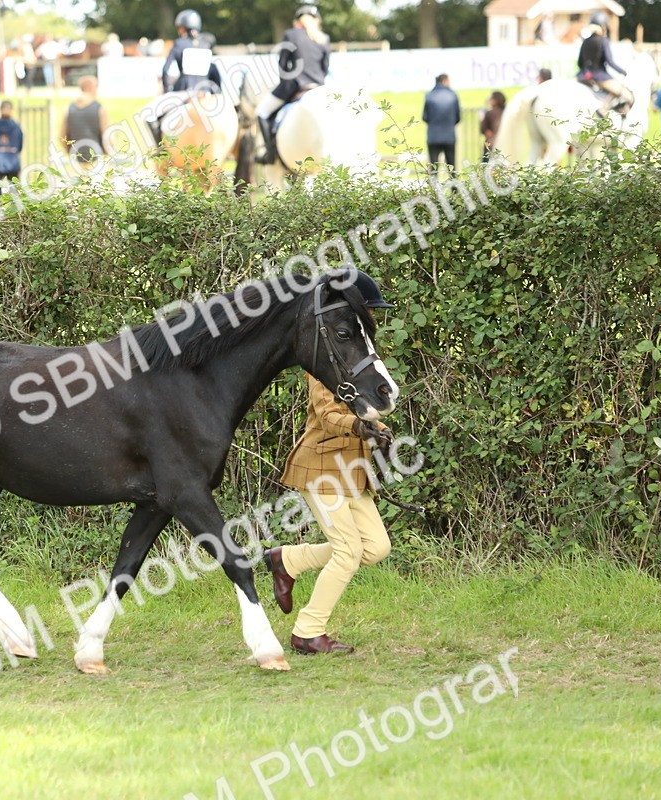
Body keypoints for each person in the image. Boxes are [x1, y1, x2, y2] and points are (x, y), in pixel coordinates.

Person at [262, 271, 397, 656]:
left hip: (352, 470)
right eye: (367, 311)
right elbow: (326, 414)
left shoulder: (358, 355)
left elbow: (362, 409)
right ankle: (308, 630)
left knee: (376, 548)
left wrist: (378, 427)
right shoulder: (325, 359)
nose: (370, 318)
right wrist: (361, 425)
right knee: (348, 552)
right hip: (321, 467)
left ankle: (288, 559)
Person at [255, 4, 331, 165]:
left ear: (298, 21)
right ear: (317, 21)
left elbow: (283, 65)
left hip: (295, 86)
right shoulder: (324, 38)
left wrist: (286, 84)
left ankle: (269, 153)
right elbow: (325, 68)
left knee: (262, 111)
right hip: (318, 88)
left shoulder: (290, 35)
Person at [146, 9, 221, 145]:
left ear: (183, 28)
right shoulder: (206, 44)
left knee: (150, 114)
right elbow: (215, 71)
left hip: (184, 92)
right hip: (205, 93)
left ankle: (159, 149)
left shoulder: (180, 43)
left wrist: (167, 89)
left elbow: (165, 69)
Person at [576, 12, 630, 112]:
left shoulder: (585, 41)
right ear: (604, 26)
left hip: (582, 77)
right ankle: (608, 112)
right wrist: (623, 71)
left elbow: (579, 63)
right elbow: (609, 61)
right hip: (600, 78)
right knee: (627, 96)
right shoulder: (603, 41)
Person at [62, 75, 108, 166]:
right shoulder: (99, 108)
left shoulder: (69, 108)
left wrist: (70, 152)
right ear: (92, 88)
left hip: (76, 157)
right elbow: (106, 136)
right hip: (96, 158)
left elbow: (62, 136)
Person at [423, 73, 460, 177]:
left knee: (434, 168)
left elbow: (425, 117)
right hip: (449, 136)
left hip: (433, 137)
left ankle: (434, 191)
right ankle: (454, 190)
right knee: (452, 166)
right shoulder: (453, 96)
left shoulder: (429, 96)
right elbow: (458, 117)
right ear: (445, 81)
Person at [480, 91, 506, 162]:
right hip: (505, 142)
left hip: (491, 143)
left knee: (486, 164)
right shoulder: (506, 112)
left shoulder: (489, 113)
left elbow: (483, 129)